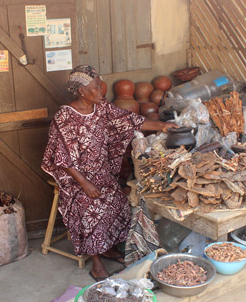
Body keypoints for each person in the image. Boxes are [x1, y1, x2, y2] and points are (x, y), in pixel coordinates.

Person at [41, 65, 178, 281]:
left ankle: (109, 248)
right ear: (81, 91)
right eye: (95, 87)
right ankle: (96, 264)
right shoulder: (65, 117)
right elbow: (62, 158)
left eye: (100, 86)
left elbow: (131, 121)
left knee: (120, 203)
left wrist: (161, 126)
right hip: (75, 178)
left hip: (101, 172)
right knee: (92, 209)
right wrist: (85, 183)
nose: (100, 91)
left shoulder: (102, 108)